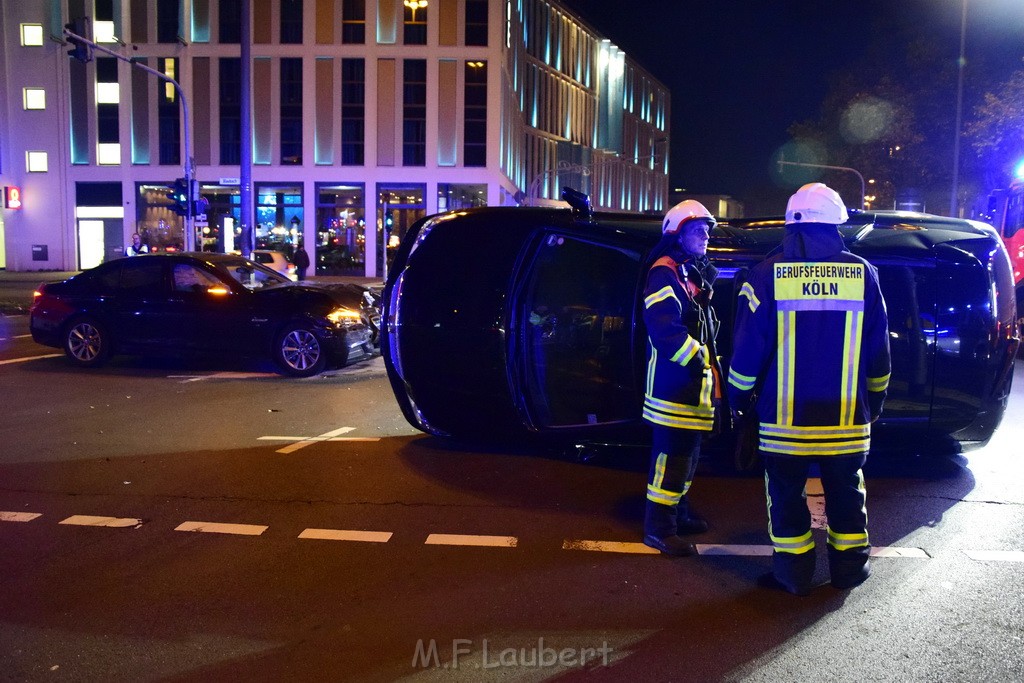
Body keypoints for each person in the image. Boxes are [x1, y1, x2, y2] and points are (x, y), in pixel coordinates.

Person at [727, 182, 891, 595]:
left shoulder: (766, 275)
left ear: (790, 225)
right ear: (836, 223)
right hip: (847, 418)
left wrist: (737, 399)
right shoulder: (864, 274)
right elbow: (878, 353)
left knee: (785, 498)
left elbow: (747, 353)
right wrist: (875, 400)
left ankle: (793, 577)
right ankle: (850, 570)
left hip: (784, 422)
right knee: (846, 494)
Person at [640, 200, 724, 557]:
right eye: (698, 229)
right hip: (672, 390)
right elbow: (666, 333)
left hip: (690, 390)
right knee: (671, 462)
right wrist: (704, 359)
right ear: (677, 234)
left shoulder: (687, 273)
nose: (706, 235)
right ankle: (659, 529)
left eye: (707, 229)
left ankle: (679, 514)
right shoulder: (663, 274)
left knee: (687, 459)